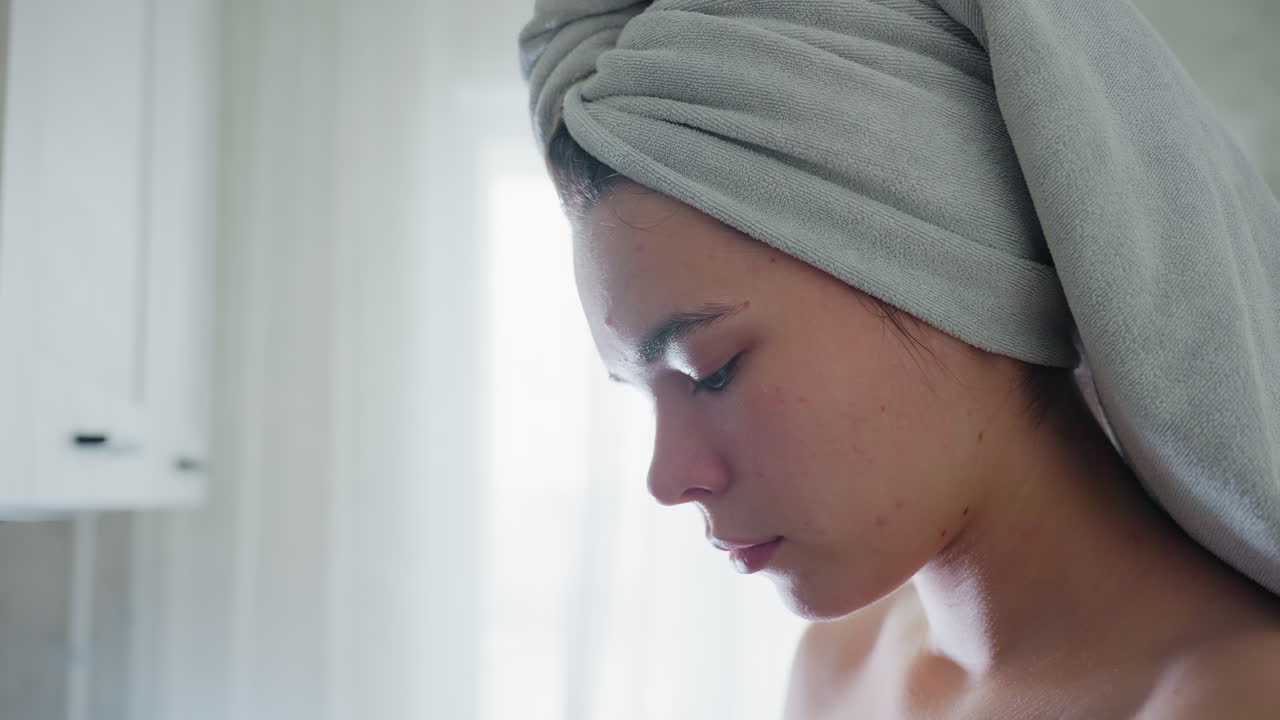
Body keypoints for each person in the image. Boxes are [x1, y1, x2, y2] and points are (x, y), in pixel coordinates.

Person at [519, 0, 1280, 716]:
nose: (667, 479)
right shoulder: (835, 671)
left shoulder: (1240, 695)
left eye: (709, 371)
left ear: (950, 276)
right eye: (644, 394)